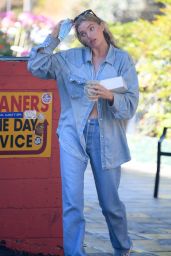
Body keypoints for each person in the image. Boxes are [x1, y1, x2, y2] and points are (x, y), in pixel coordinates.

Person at [28, 9, 139, 256]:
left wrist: (109, 96)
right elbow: (35, 66)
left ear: (101, 26)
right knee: (72, 203)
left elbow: (131, 103)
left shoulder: (122, 60)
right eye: (82, 33)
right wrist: (54, 37)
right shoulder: (69, 59)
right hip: (72, 135)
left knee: (110, 204)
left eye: (91, 28)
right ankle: (74, 253)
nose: (88, 35)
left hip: (107, 136)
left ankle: (123, 248)